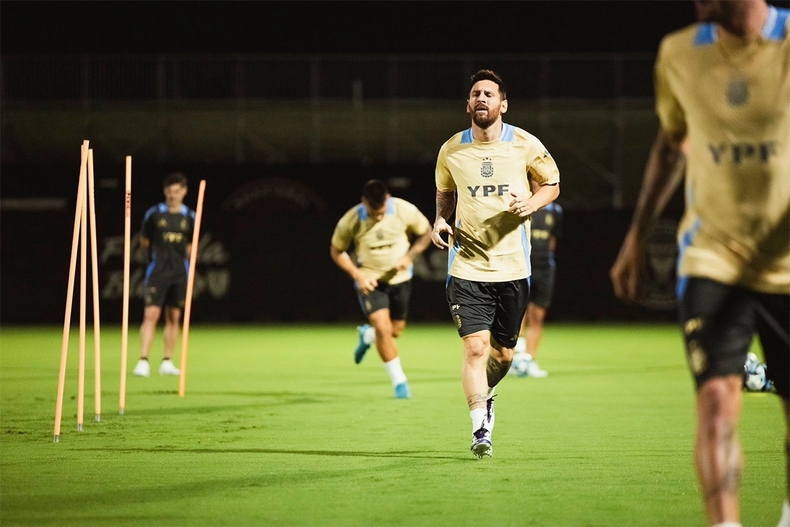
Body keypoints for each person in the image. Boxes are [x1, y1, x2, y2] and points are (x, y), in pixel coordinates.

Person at [609, 1, 789, 526]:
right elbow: (670, 146)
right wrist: (636, 238)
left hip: (785, 259)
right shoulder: (679, 53)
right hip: (712, 255)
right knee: (715, 397)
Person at [432, 69, 560, 458]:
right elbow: (444, 192)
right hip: (467, 267)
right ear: (468, 105)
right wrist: (440, 219)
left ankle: (484, 397)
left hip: (513, 268)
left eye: (489, 93)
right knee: (475, 348)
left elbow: (552, 184)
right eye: (475, 94)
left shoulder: (524, 144)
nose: (482, 98)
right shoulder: (451, 149)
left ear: (503, 104)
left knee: (503, 355)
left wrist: (532, 203)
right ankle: (479, 428)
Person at [330, 179, 432, 399]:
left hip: (400, 279)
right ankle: (400, 383)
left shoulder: (404, 210)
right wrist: (357, 275)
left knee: (395, 331)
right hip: (371, 281)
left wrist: (409, 256)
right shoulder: (352, 219)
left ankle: (367, 336)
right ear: (364, 202)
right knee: (382, 328)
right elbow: (336, 250)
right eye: (373, 212)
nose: (378, 217)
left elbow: (426, 233)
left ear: (387, 199)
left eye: (381, 211)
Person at [132, 172, 195, 377]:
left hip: (179, 273)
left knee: (174, 316)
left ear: (184, 192)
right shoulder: (154, 214)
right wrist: (154, 258)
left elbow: (191, 244)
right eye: (169, 191)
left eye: (176, 191)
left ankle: (167, 361)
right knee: (150, 314)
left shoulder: (190, 216)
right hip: (157, 271)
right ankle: (143, 360)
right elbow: (144, 242)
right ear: (164, 192)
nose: (172, 195)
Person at [513, 202, 563, 378]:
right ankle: (512, 359)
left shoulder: (555, 211)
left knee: (537, 315)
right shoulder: (523, 206)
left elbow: (553, 241)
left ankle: (530, 360)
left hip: (545, 269)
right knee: (519, 313)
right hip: (522, 267)